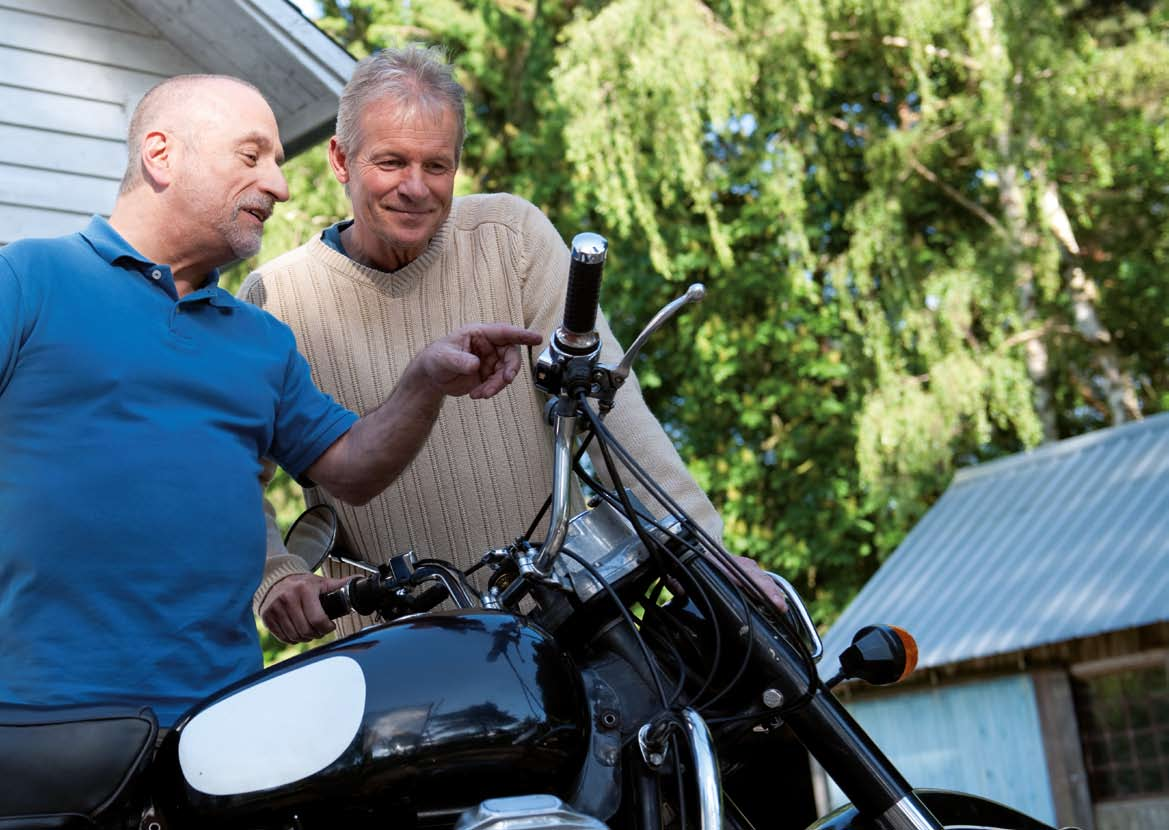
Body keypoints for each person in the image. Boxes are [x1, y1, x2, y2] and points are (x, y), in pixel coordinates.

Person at [0, 74, 540, 726]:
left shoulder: (261, 340)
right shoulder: (27, 280)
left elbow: (353, 469)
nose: (280, 186)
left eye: (278, 163)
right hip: (27, 718)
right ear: (161, 154)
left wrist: (423, 379)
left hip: (212, 730)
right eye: (251, 155)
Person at [242, 46, 779, 645]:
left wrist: (712, 561)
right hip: (391, 652)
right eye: (390, 162)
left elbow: (614, 417)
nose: (415, 188)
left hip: (563, 621)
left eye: (437, 166)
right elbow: (233, 474)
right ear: (341, 160)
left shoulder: (510, 237)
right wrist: (277, 576)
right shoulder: (276, 296)